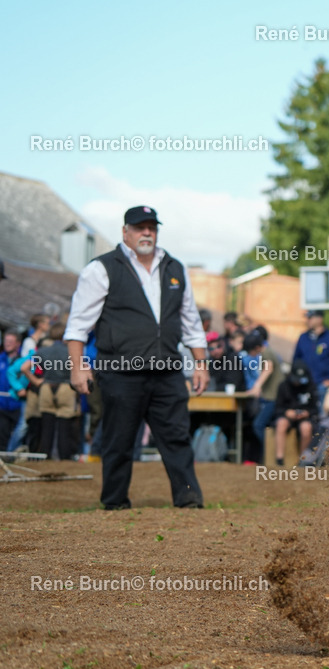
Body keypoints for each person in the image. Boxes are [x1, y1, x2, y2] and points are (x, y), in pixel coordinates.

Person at [66, 205, 207, 509]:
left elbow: (191, 322)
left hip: (168, 370)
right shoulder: (102, 267)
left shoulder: (174, 268)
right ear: (125, 232)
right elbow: (78, 324)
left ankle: (189, 499)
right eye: (139, 227)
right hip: (119, 371)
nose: (146, 233)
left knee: (177, 437)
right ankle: (115, 501)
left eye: (151, 227)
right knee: (119, 439)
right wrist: (78, 369)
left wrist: (201, 364)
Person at [34, 322, 81, 460]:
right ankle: (64, 457)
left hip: (47, 388)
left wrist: (36, 381)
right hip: (66, 388)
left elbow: (27, 367)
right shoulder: (71, 352)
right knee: (64, 427)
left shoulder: (42, 352)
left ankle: (45, 456)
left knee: (47, 426)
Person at [244, 330, 284, 456]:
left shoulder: (266, 352)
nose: (250, 355)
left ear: (256, 348)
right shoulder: (269, 351)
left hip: (272, 397)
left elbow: (268, 368)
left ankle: (269, 453)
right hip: (272, 396)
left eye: (250, 351)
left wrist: (256, 387)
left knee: (258, 425)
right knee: (266, 425)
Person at [273, 361, 318, 467]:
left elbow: (315, 409)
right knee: (281, 423)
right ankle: (279, 459)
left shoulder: (310, 386)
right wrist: (287, 412)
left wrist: (307, 413)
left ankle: (303, 459)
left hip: (305, 418)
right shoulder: (283, 386)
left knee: (306, 428)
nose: (297, 382)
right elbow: (277, 408)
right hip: (287, 416)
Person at [294, 310, 329, 399]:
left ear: (320, 319)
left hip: (323, 385)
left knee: (322, 412)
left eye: (310, 318)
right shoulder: (303, 337)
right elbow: (296, 360)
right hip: (305, 384)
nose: (307, 320)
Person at [0, 330, 23, 449]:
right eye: (5, 341)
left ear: (18, 344)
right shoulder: (0, 359)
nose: (7, 344)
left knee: (18, 433)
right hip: (2, 404)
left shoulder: (22, 361)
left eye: (10, 341)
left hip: (17, 403)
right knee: (2, 432)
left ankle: (12, 455)